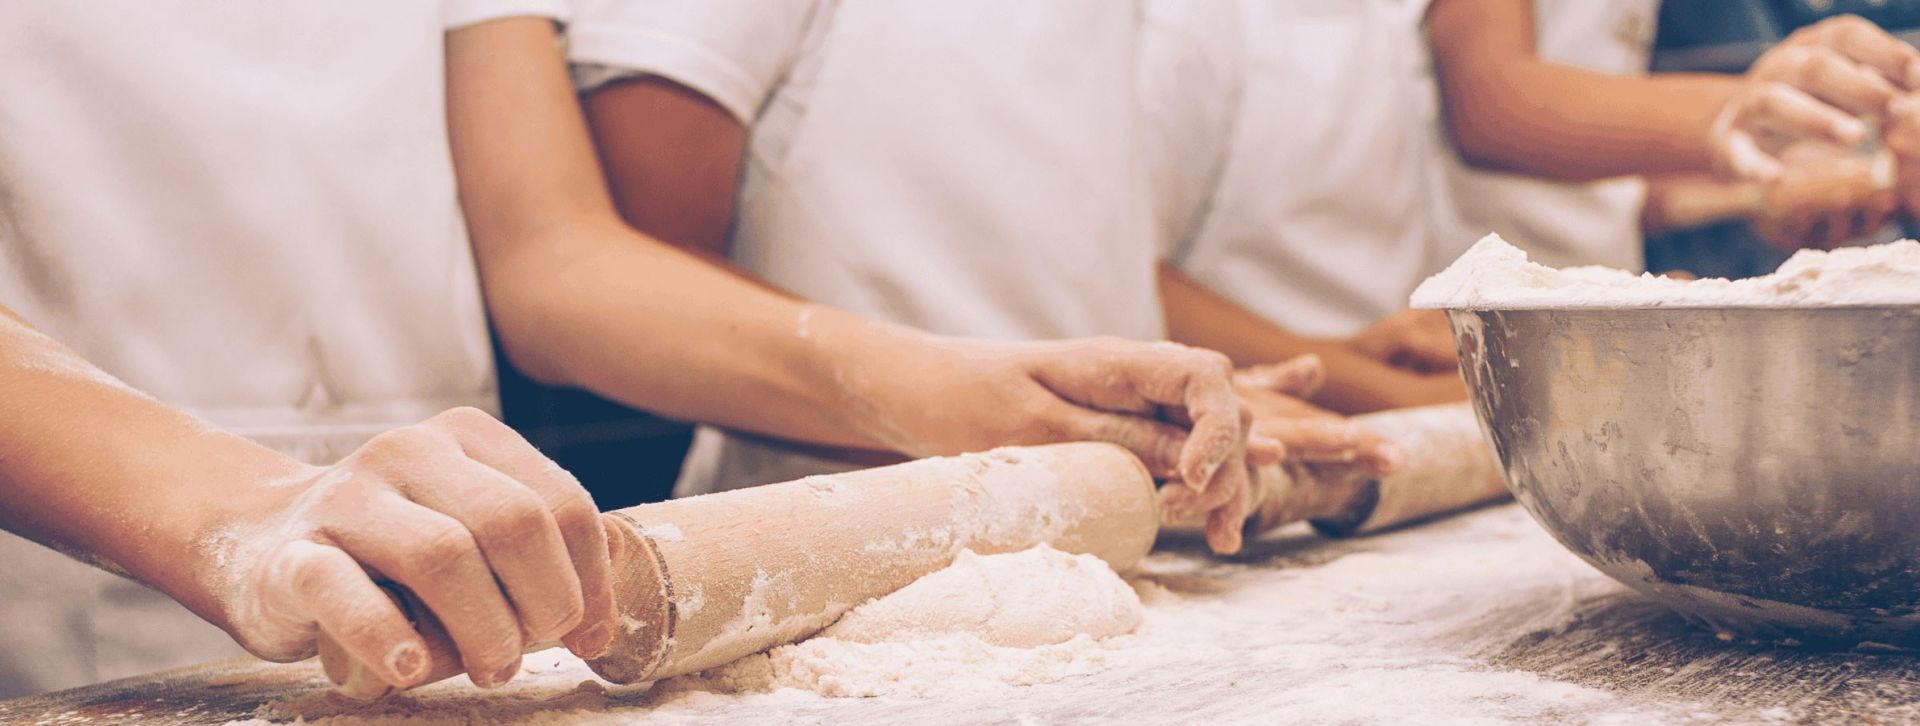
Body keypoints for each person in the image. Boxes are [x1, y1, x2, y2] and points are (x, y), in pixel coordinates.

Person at [0, 2, 1275, 698]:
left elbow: (552, 250)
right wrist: (247, 512)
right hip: (83, 591)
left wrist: (942, 385)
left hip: (455, 599)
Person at [565, 0, 1402, 533]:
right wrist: (994, 407)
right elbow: (639, 261)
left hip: (1105, 521)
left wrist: (1166, 407)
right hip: (834, 535)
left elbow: (1060, 249)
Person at [1167, 1, 1920, 391]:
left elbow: (1601, 175)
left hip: (1569, 326)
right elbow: (1490, 103)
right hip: (1481, 341)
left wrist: (1755, 188)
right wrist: (1736, 115)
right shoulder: (1198, 37)